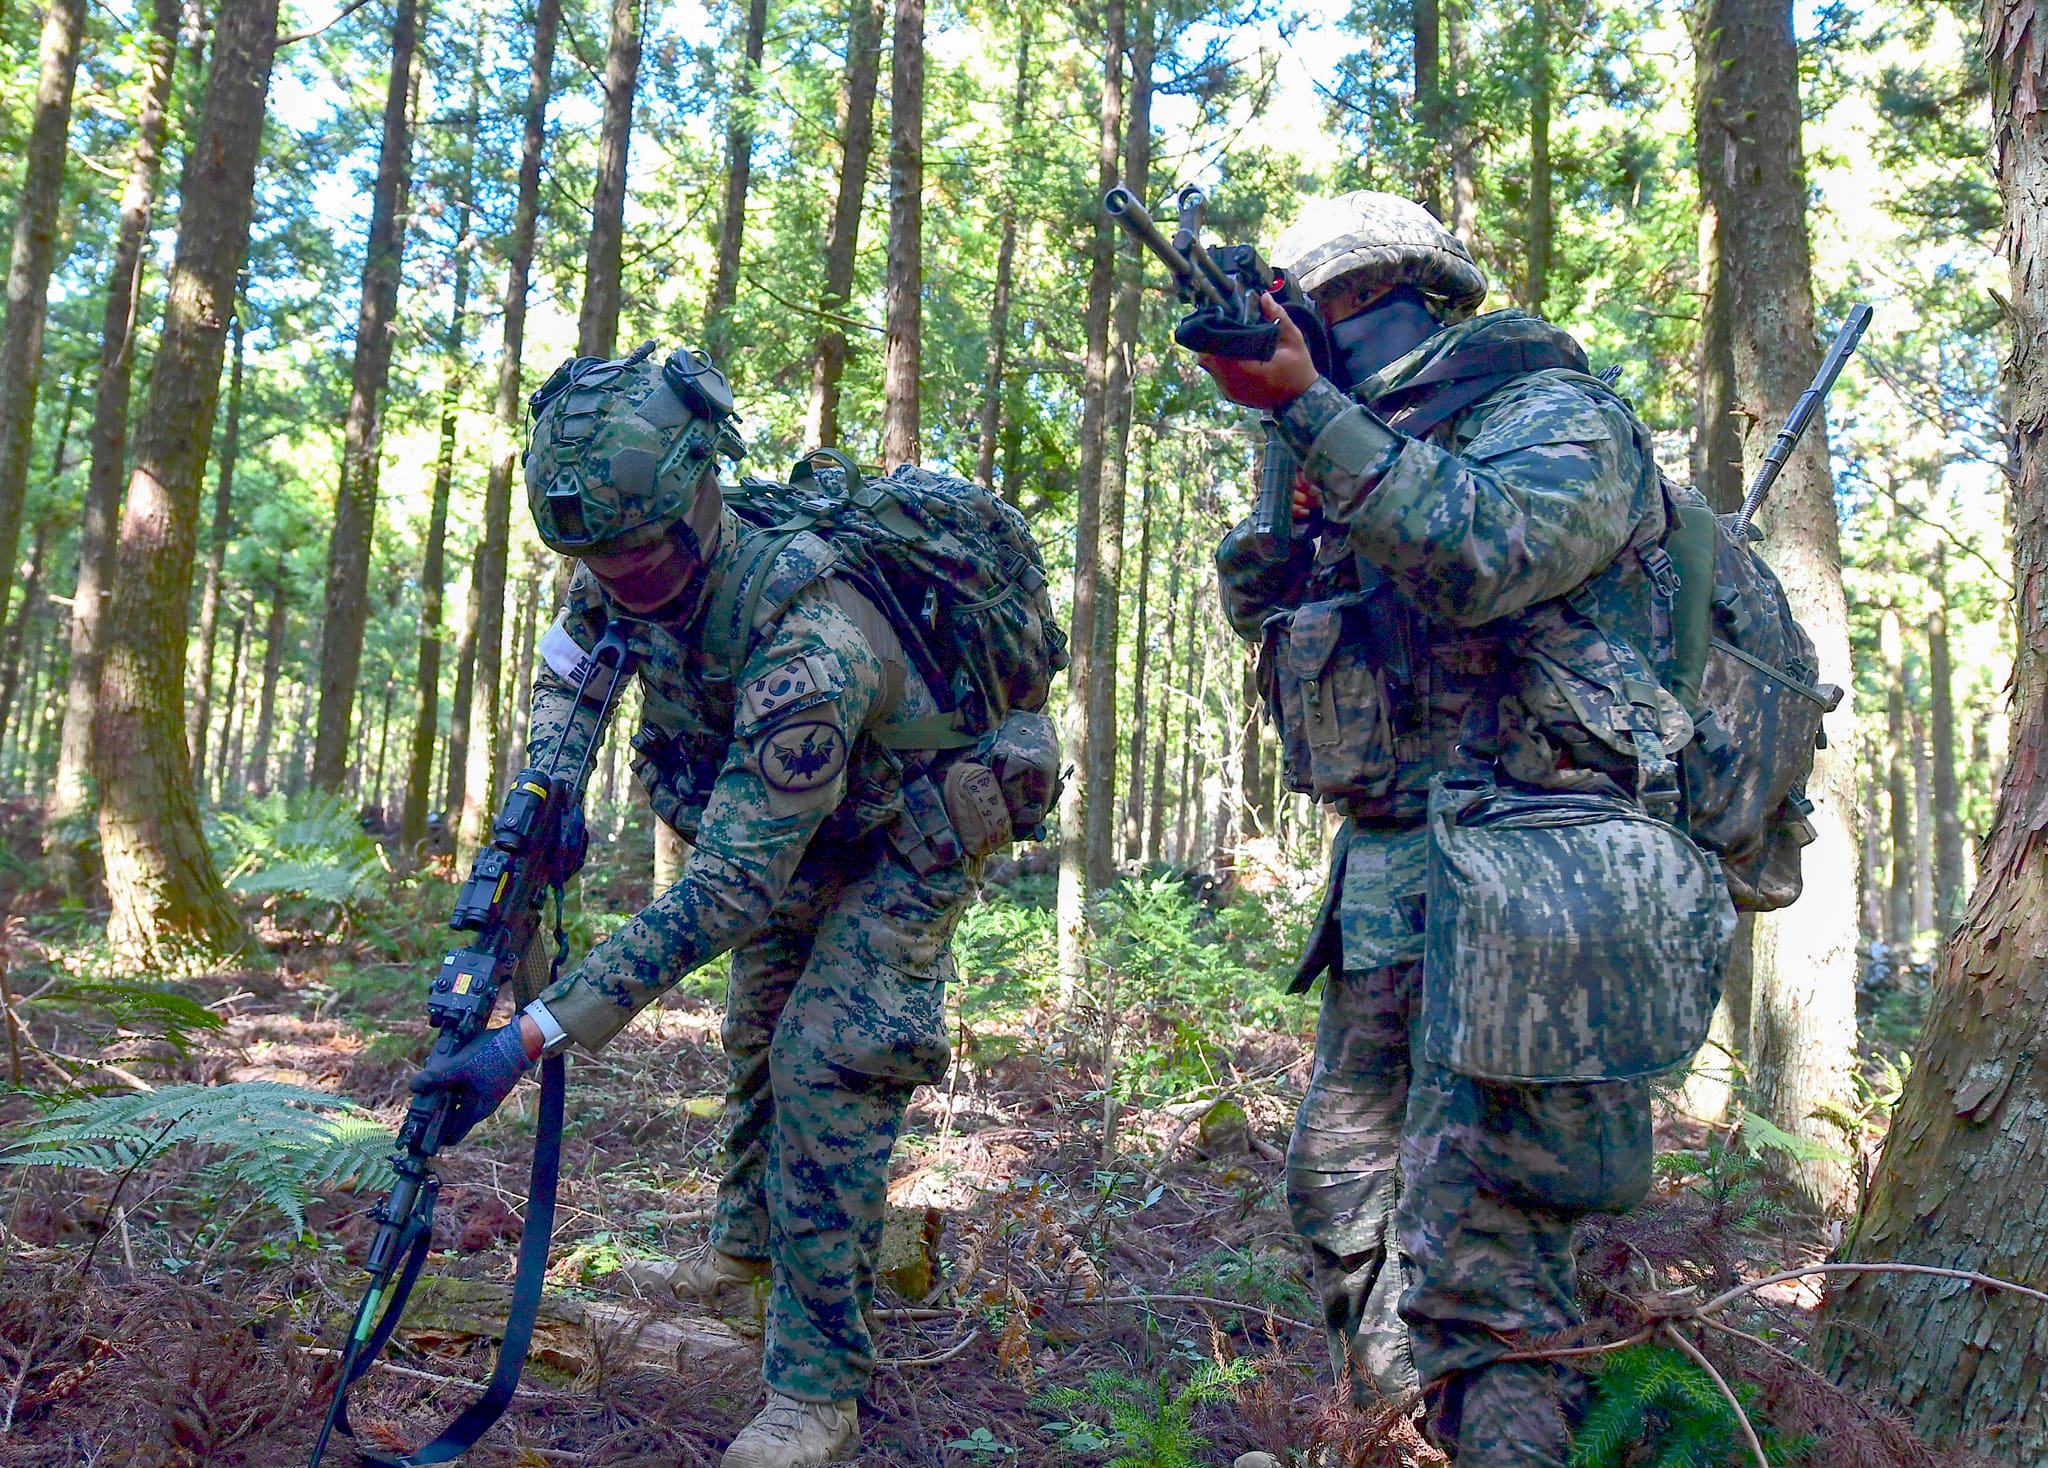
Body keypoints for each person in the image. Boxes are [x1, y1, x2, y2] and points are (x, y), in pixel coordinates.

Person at [407, 343, 1058, 1468]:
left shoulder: (810, 639)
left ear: (701, 491)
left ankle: (815, 1387)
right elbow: (574, 672)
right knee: (758, 1024)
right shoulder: (616, 550)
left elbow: (726, 887)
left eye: (641, 554)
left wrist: (530, 1035)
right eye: (595, 558)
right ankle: (744, 1256)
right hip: (800, 818)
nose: (623, 578)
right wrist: (543, 793)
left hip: (911, 829)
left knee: (829, 1054)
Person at [1204, 193, 1726, 1467]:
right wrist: (1291, 456)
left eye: (1314, 313)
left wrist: (1305, 410)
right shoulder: (1344, 448)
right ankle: (1397, 1432)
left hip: (1540, 876)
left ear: (1393, 296)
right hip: (1392, 871)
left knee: (1485, 1255)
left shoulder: (1556, 417)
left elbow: (1485, 551)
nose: (1306, 340)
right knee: (1340, 1196)